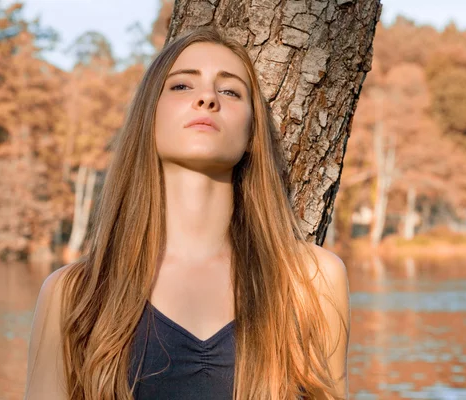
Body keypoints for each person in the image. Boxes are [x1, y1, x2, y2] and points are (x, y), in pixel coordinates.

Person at [24, 26, 350, 400]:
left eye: (230, 91)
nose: (207, 98)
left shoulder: (310, 281)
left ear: (251, 134)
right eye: (182, 86)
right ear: (149, 117)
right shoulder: (73, 294)